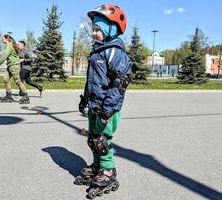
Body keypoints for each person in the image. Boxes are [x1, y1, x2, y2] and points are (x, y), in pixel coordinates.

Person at [74, 4, 132, 198]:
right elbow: (91, 81)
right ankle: (98, 166)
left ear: (111, 29)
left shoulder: (115, 52)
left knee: (101, 140)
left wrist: (108, 109)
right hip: (94, 105)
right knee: (92, 139)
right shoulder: (97, 51)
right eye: (93, 29)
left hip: (108, 108)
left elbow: (119, 84)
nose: (94, 33)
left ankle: (108, 170)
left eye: (98, 30)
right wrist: (85, 99)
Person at [0, 34, 30, 104]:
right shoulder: (11, 45)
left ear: (6, 39)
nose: (2, 40)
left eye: (3, 38)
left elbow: (5, 56)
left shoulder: (9, 45)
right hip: (10, 66)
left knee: (18, 81)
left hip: (14, 66)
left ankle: (26, 96)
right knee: (5, 79)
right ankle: (9, 95)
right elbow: (7, 56)